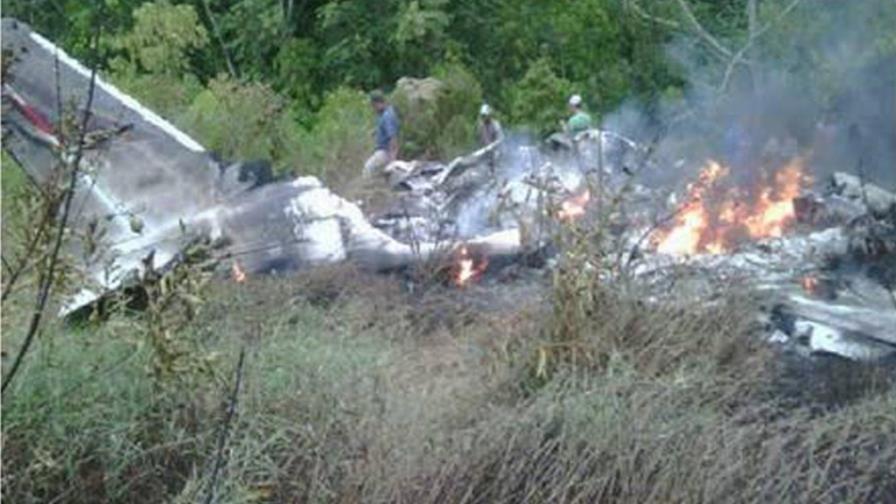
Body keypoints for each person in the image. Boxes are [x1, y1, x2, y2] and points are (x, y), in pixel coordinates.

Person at [364, 90, 400, 177]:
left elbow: (393, 137)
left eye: (373, 105)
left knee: (368, 169)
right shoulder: (384, 114)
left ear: (377, 103)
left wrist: (392, 159)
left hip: (385, 152)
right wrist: (375, 132)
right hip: (384, 151)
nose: (372, 108)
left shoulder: (387, 116)